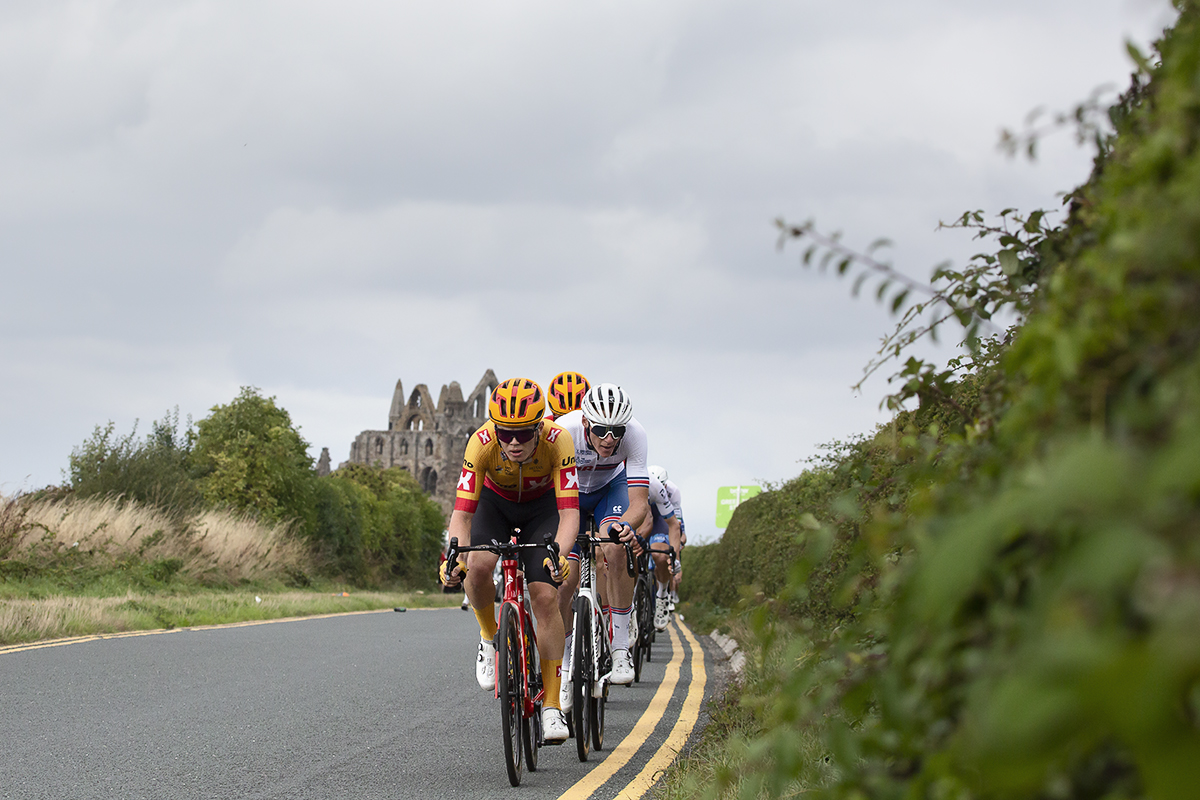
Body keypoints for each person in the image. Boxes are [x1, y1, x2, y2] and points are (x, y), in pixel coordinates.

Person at [439, 377, 579, 742]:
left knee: (546, 596)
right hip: (495, 505)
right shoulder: (481, 443)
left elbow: (568, 515)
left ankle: (551, 705)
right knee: (476, 567)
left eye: (523, 434)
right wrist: (454, 554)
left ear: (539, 427)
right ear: (495, 428)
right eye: (505, 433)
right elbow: (463, 515)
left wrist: (559, 555)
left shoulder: (558, 440)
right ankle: (489, 637)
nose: (514, 442)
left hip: (543, 510)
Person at [552, 383, 649, 708]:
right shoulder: (563, 431)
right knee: (565, 579)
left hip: (611, 491)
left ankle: (620, 647)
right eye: (601, 430)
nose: (610, 438)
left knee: (614, 546)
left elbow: (638, 503)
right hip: (571, 498)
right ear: (585, 424)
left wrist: (624, 527)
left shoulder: (635, 435)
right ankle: (565, 669)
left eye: (616, 431)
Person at [645, 467, 683, 630]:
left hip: (662, 514)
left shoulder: (672, 491)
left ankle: (662, 593)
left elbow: (677, 525)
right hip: (641, 508)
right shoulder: (637, 483)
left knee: (659, 553)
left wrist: (676, 560)